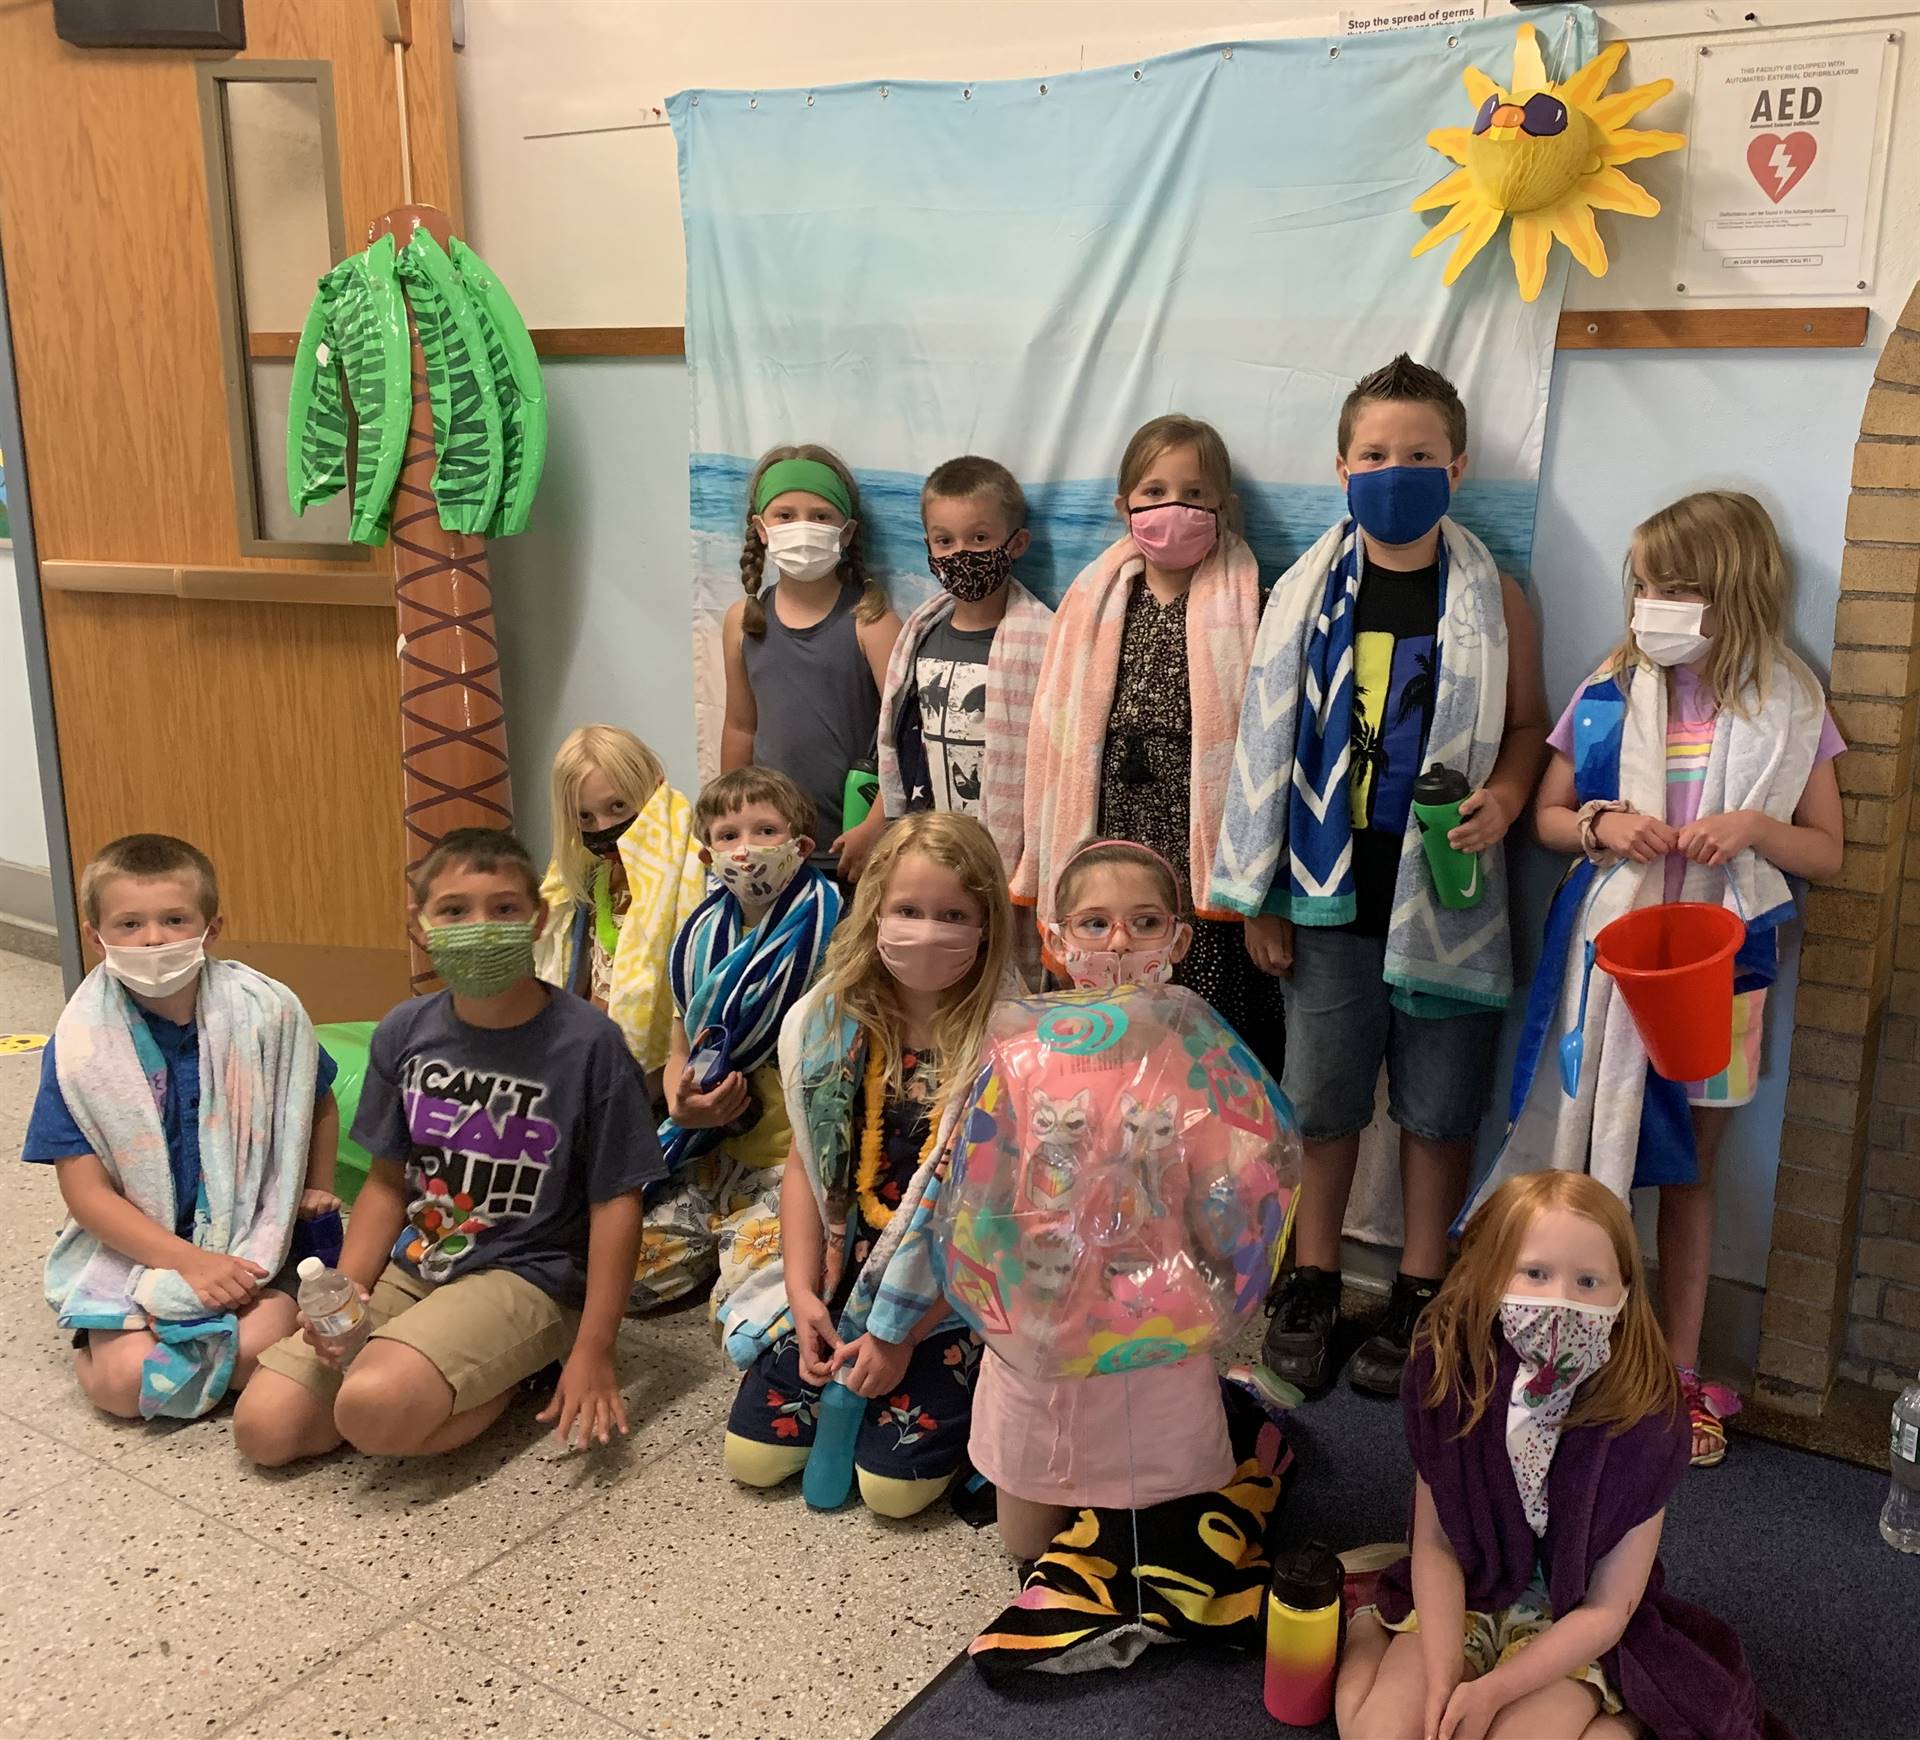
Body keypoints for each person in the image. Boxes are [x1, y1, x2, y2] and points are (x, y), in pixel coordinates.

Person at [1482, 490, 1844, 1467]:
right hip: (1616, 956)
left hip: (1728, 969)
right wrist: (1604, 826)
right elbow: (1551, 817)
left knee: (1688, 1168)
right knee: (1578, 1156)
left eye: (1675, 587)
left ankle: (1679, 1375)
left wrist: (1756, 830)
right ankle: (1564, 1343)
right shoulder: (1610, 682)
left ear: (1734, 592)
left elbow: (1827, 850)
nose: (1651, 605)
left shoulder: (1789, 701)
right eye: (1642, 585)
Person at [1212, 355, 1548, 1397]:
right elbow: (1262, 752)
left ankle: (1418, 1286)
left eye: (1416, 455)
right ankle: (1313, 1279)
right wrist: (1260, 898)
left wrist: (1507, 792)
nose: (1393, 470)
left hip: (1446, 888)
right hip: (1327, 893)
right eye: (1374, 454)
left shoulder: (1498, 598)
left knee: (1440, 1106)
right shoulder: (1299, 597)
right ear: (1341, 465)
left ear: (1457, 467)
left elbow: (1528, 725)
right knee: (1323, 1101)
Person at [232, 827, 661, 1465]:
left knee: (372, 1414)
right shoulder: (405, 1030)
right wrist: (348, 1288)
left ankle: (515, 1373)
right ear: (420, 923)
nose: (480, 926)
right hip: (423, 1259)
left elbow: (617, 1204)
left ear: (537, 918)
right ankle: (426, 1368)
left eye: (504, 908)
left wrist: (597, 1346)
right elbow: (384, 1181)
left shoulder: (590, 1045)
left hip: (531, 1276)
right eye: (455, 910)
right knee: (264, 1430)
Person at [1336, 1171, 1791, 1740]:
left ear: (1624, 1294)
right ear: (1492, 1277)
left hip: (1567, 1624)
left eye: (1587, 1281)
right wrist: (1444, 1674)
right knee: (1381, 1731)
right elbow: (1435, 1543)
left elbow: (1607, 1609)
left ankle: (1621, 1718)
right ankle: (1364, 1626)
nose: (1559, 1301)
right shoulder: (1452, 1382)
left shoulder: (1648, 1424)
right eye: (1535, 1273)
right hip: (1467, 1598)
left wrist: (1493, 1690)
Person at [722, 811, 1011, 1518]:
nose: (927, 929)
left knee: (891, 1490)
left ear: (986, 925)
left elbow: (1000, 1224)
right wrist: (800, 1294)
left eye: (953, 914)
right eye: (908, 910)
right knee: (753, 1459)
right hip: (845, 1270)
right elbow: (805, 1169)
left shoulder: (1010, 1042)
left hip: (954, 1291)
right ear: (875, 910)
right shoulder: (830, 1025)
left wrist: (902, 1335)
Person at [972, 837, 1247, 1562]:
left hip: (1154, 1311)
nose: (1119, 942)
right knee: (1025, 1543)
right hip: (1045, 1309)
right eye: (1094, 924)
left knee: (1160, 1541)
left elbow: (1221, 1197)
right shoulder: (1020, 1054)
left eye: (1145, 922)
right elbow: (985, 1186)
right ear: (1055, 940)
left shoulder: (1194, 1055)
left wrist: (1222, 1278)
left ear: (1180, 938)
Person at [24, 833, 340, 1420]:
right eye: (129, 924)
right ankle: (117, 1342)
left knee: (260, 1351)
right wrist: (185, 1261)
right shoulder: (80, 1048)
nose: (153, 939)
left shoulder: (265, 1011)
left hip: (246, 1234)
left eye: (174, 920)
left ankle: (200, 1348)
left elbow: (312, 1101)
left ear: (210, 928)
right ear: (96, 938)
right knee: (124, 1388)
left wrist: (317, 1185)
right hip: (133, 1242)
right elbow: (85, 1192)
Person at [1014, 413, 1282, 1073]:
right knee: (1103, 1056)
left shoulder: (1260, 609)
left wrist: (1261, 898)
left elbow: (1272, 757)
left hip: (1204, 885)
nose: (1174, 508)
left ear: (1226, 507)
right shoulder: (1089, 607)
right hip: (1106, 870)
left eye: (1195, 495)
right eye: (1155, 493)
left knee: (1206, 1058)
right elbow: (1056, 745)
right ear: (1123, 508)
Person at [634, 767, 843, 1323]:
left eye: (765, 831)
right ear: (708, 856)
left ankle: (749, 1251)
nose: (746, 850)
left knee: (745, 1314)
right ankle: (722, 1235)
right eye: (728, 836)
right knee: (621, 1275)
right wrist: (682, 1102)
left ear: (801, 846)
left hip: (792, 1162)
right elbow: (684, 1042)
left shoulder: (835, 927)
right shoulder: (696, 938)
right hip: (715, 1148)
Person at [721, 443, 902, 884]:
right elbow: (741, 728)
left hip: (852, 850)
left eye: (821, 516)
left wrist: (875, 825)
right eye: (785, 515)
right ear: (761, 528)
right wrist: (727, 825)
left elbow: (902, 737)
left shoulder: (872, 621)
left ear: (846, 531)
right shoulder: (742, 622)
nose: (803, 527)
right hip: (768, 852)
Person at [877, 454, 1053, 870]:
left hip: (1004, 846)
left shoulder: (1046, 638)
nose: (960, 554)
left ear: (1017, 544)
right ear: (928, 548)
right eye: (945, 541)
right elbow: (900, 739)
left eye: (979, 539)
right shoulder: (920, 636)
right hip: (931, 841)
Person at [534, 724, 706, 1101]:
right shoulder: (581, 882)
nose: (605, 828)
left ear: (654, 790)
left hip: (659, 1083)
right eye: (585, 817)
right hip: (586, 1074)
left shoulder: (696, 874)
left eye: (618, 806)